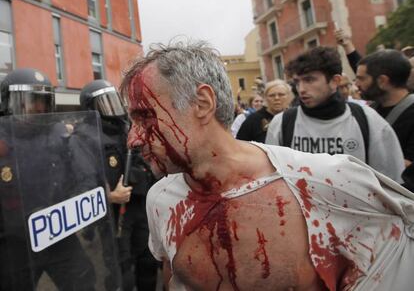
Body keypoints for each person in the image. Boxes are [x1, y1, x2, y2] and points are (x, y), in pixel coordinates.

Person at [121, 40, 414, 291]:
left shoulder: (329, 182)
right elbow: (174, 280)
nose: (133, 139)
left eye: (145, 117)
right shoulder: (160, 200)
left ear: (202, 103)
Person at [0, 68, 96, 290]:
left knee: (84, 280)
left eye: (42, 102)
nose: (37, 109)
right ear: (7, 103)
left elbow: (80, 173)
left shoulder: (59, 134)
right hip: (14, 242)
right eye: (29, 102)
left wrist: (82, 197)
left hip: (56, 230)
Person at [265, 46, 405, 182]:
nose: (301, 89)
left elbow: (392, 182)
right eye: (297, 82)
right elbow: (271, 180)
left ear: (334, 81)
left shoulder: (369, 120)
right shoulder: (282, 123)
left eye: (309, 80)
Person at [79, 79, 159, 291]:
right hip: (113, 214)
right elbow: (83, 180)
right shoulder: (85, 137)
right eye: (104, 103)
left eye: (113, 100)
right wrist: (109, 197)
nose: (112, 108)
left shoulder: (127, 129)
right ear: (91, 108)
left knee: (147, 259)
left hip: (139, 205)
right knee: (120, 268)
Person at [356, 50, 414, 190]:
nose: (356, 84)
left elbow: (407, 164)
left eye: (362, 79)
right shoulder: (368, 112)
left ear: (383, 81)